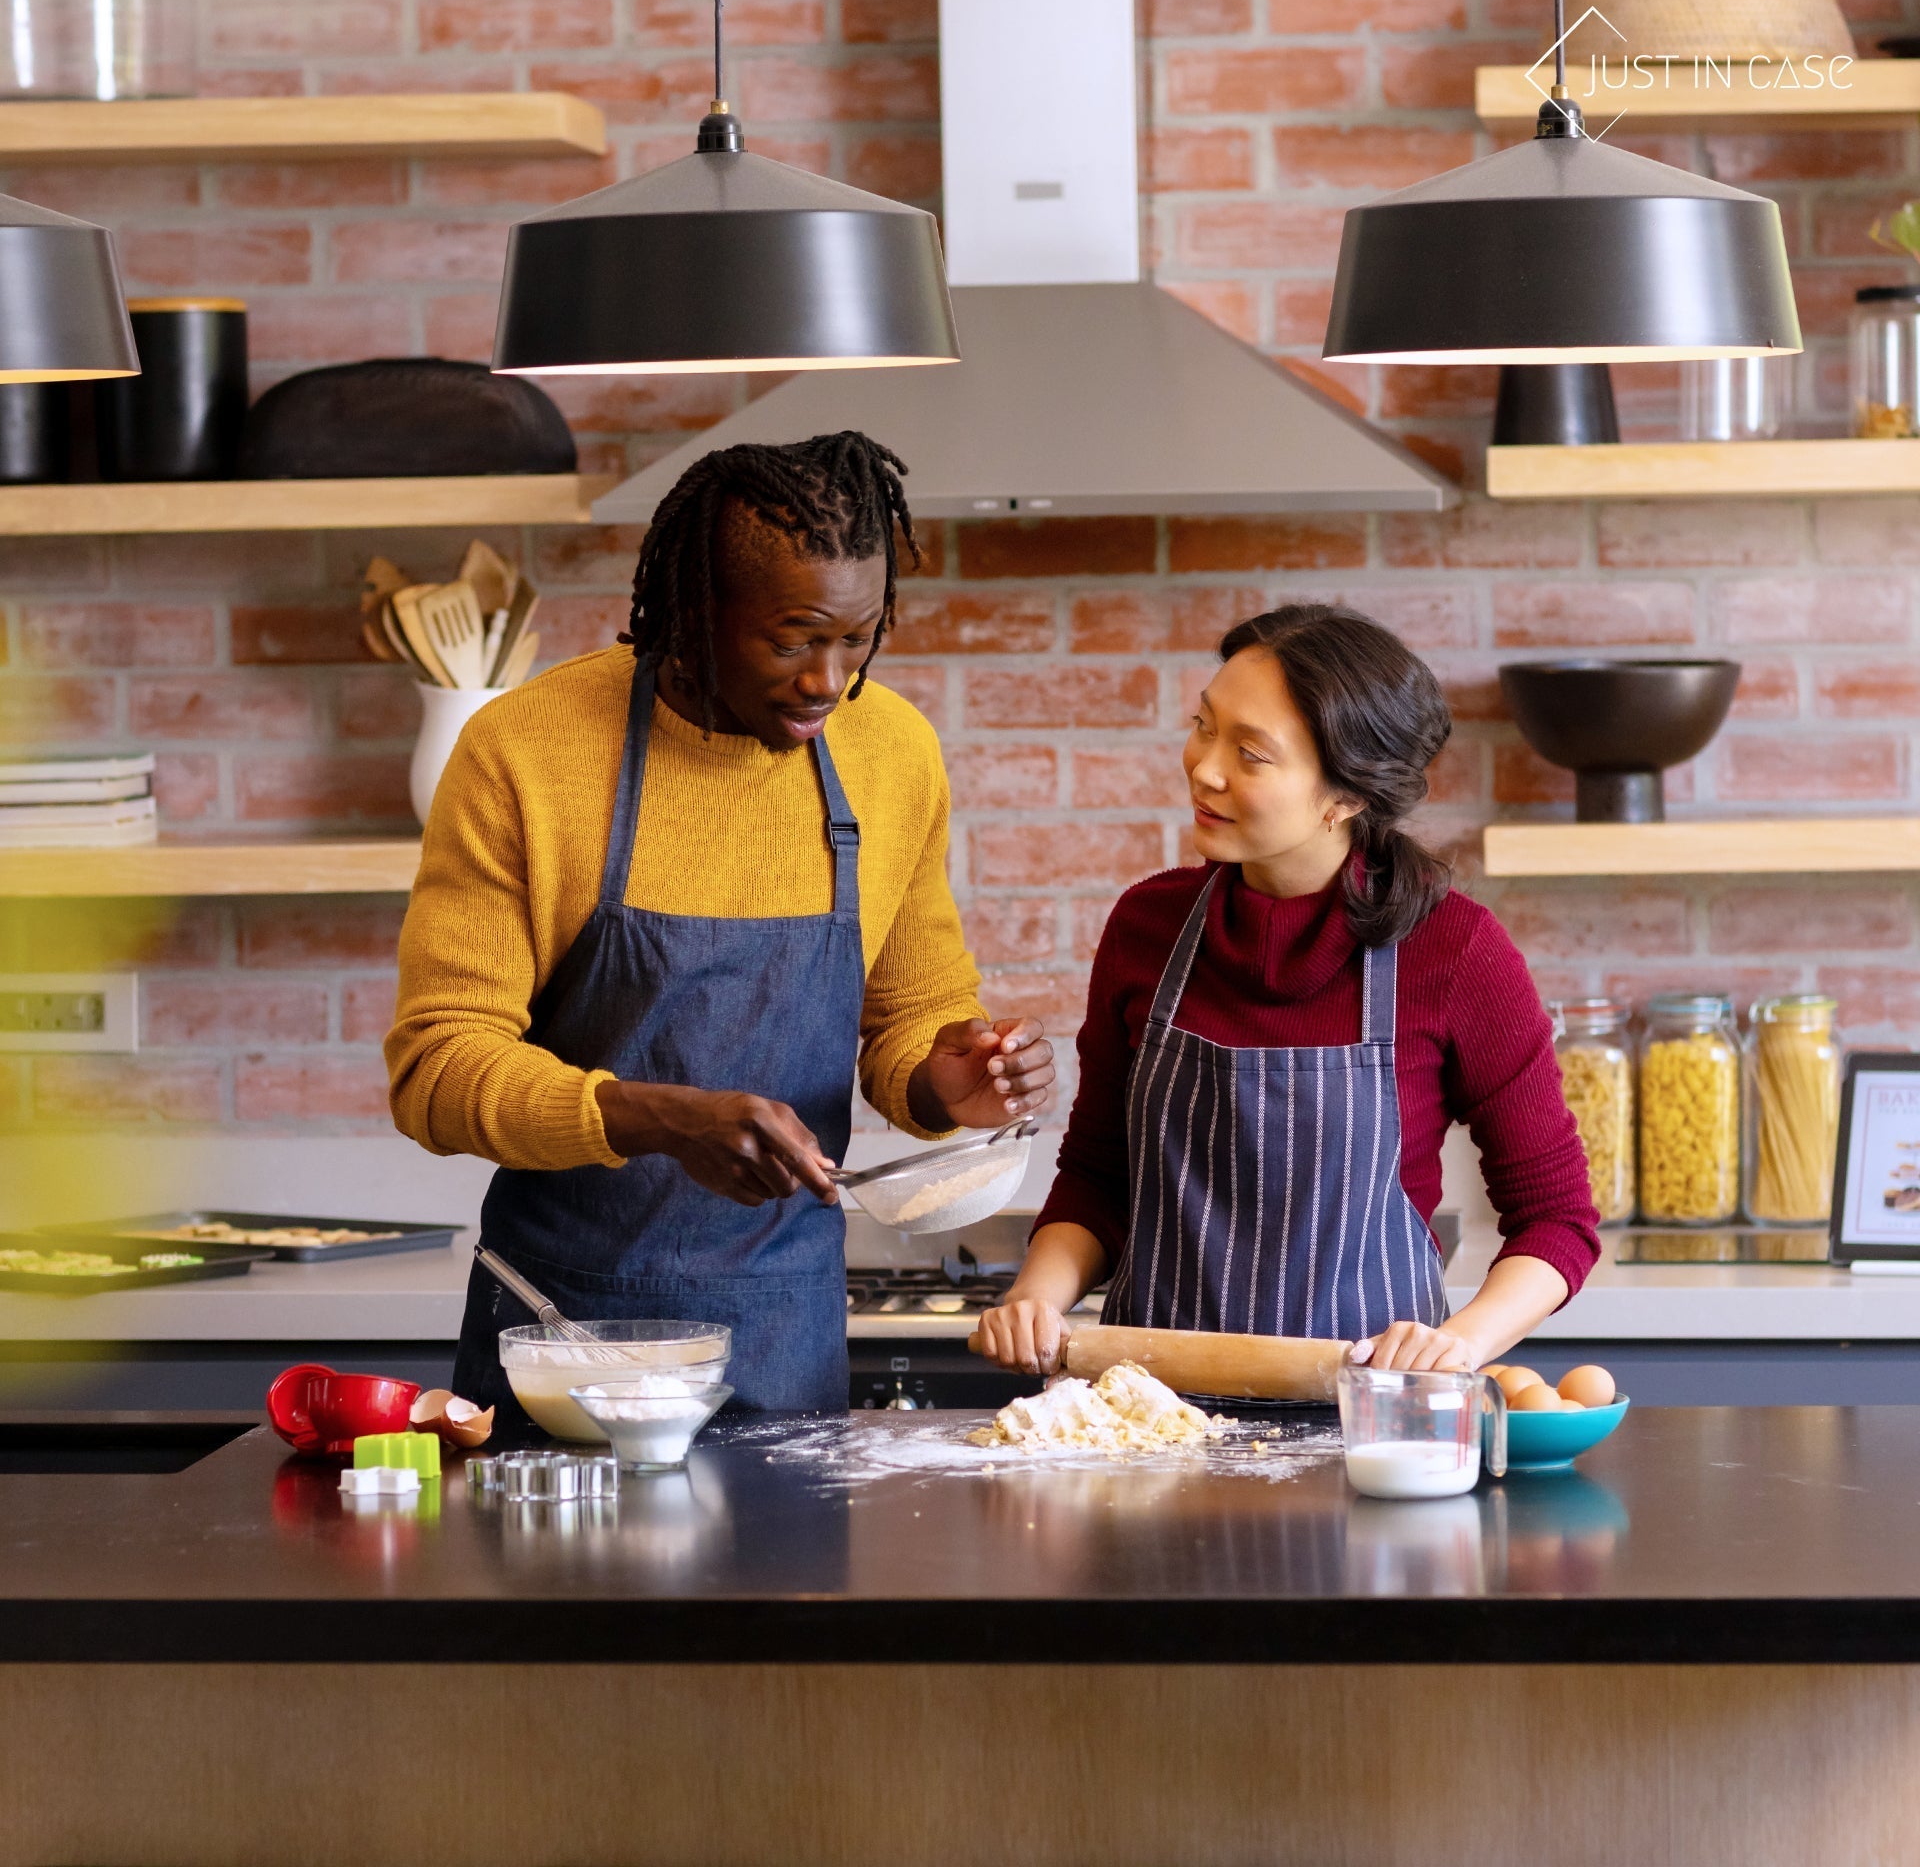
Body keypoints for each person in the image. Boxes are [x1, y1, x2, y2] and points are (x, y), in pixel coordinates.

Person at [388, 431, 1055, 1414]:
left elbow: (912, 1018)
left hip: (785, 1334)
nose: (829, 679)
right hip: (563, 1339)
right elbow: (435, 1071)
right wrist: (655, 1114)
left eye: (857, 637)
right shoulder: (525, 753)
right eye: (793, 641)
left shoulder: (891, 753)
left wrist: (947, 1078)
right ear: (697, 617)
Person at [974, 601, 1597, 1378]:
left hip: (1367, 1430)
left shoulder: (1455, 951)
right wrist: (1037, 1294)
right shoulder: (1147, 926)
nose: (1204, 766)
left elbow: (1557, 1221)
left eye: (1251, 753)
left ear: (1346, 796)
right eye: (1205, 726)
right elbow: (1100, 1175)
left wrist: (1458, 1342)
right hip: (1145, 1425)